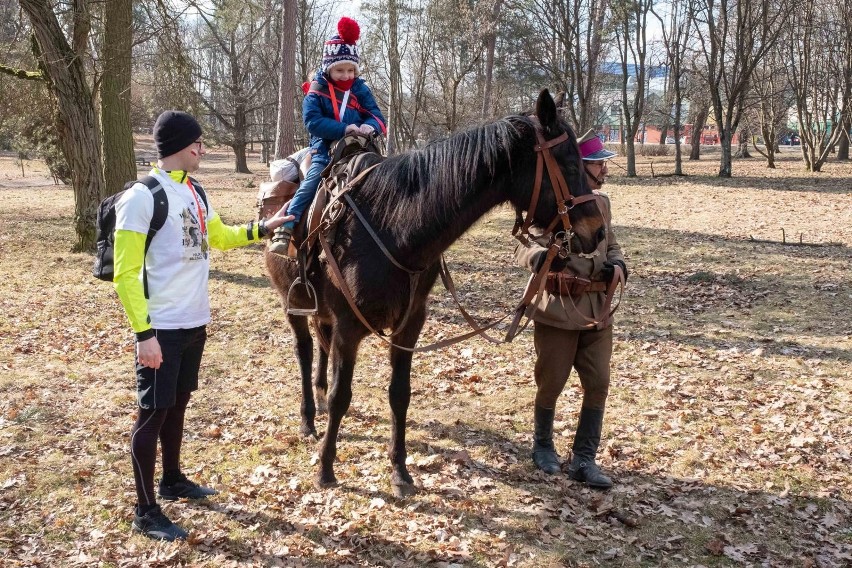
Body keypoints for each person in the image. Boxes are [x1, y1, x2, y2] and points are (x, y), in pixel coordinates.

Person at [114, 110, 294, 541]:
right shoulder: (142, 197)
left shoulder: (195, 191)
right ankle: (145, 510)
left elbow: (218, 237)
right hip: (161, 326)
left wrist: (262, 228)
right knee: (152, 413)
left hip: (194, 320)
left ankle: (172, 480)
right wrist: (144, 335)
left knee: (178, 403)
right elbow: (124, 273)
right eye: (196, 142)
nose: (202, 148)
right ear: (179, 145)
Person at [513, 128, 628, 490]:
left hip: (598, 309)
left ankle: (584, 459)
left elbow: (613, 245)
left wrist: (619, 267)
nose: (604, 171)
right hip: (558, 311)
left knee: (599, 384)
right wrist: (540, 258)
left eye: (603, 165)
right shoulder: (552, 202)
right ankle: (543, 447)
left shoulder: (602, 204)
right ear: (581, 167)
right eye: (597, 164)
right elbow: (523, 246)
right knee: (551, 383)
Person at [269, 16, 386, 254]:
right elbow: (312, 122)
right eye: (340, 70)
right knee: (311, 183)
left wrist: (370, 127)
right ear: (328, 68)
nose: (345, 75)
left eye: (350, 70)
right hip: (325, 150)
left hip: (361, 148)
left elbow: (377, 117)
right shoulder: (317, 91)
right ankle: (287, 226)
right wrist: (343, 129)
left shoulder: (360, 89)